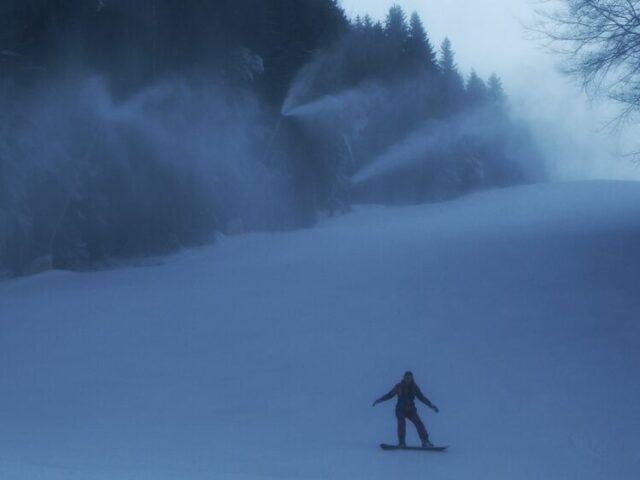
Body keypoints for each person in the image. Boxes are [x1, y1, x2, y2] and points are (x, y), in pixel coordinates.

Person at [373, 371, 439, 448]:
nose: (408, 380)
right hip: (400, 410)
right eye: (407, 378)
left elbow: (422, 398)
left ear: (412, 379)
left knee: (419, 423)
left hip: (411, 410)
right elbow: (389, 395)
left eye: (410, 378)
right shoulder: (399, 386)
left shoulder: (414, 387)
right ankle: (402, 442)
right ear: (404, 378)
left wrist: (431, 405)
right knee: (401, 423)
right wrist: (379, 400)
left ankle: (425, 441)